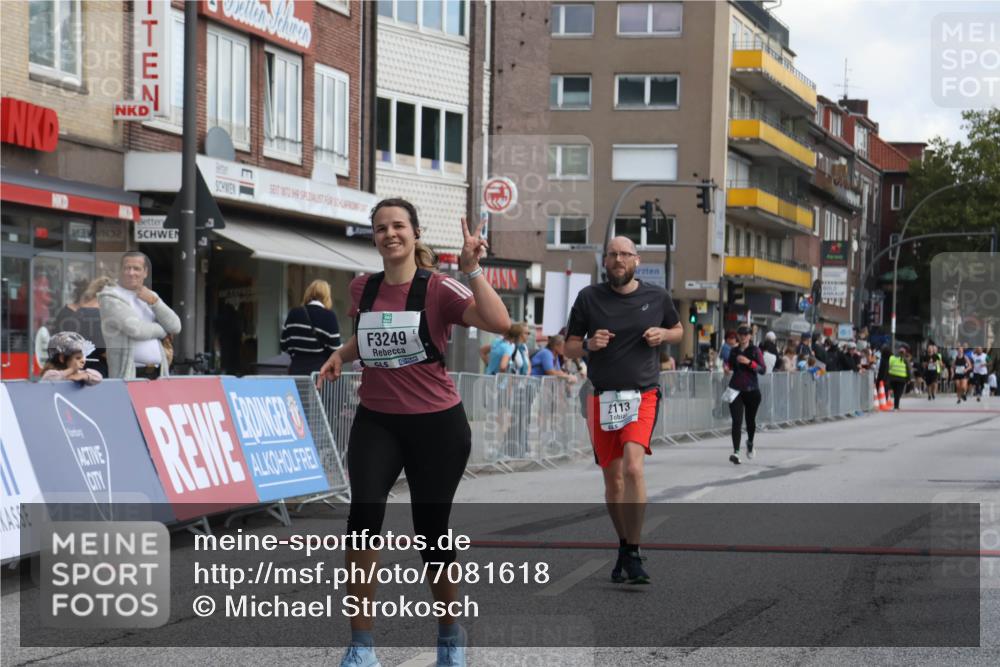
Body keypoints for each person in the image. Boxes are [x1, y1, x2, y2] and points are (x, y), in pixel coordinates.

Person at [316, 198, 509, 667]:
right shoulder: (362, 287)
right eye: (381, 228)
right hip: (377, 420)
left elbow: (500, 323)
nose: (389, 234)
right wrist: (341, 354)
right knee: (362, 521)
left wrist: (472, 270)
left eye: (398, 226)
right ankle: (361, 647)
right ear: (375, 237)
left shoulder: (440, 289)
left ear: (415, 233)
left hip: (436, 425)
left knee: (430, 532)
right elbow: (370, 337)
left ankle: (449, 636)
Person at [564, 236, 683, 585]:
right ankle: (625, 546)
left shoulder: (656, 297)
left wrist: (663, 333)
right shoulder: (589, 297)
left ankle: (633, 548)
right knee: (613, 479)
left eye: (624, 254)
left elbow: (678, 330)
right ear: (605, 261)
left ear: (636, 259)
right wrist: (588, 344)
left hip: (642, 395)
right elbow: (569, 346)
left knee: (633, 467)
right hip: (601, 398)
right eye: (612, 254)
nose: (618, 259)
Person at [98, 252, 181, 380]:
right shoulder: (109, 295)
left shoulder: (150, 295)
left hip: (159, 372)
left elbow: (175, 327)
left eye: (136, 268)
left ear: (145, 272)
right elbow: (136, 329)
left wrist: (155, 302)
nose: (131, 273)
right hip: (130, 374)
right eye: (127, 268)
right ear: (120, 270)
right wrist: (163, 331)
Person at [280, 279, 342, 376]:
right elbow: (336, 348)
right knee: (318, 392)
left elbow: (283, 344)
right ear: (327, 296)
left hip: (296, 369)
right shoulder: (329, 316)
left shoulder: (294, 312)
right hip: (320, 372)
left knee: (298, 391)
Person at [55, 276, 112, 377]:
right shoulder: (99, 316)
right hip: (96, 372)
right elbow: (105, 351)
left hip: (73, 369)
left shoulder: (75, 314)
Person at [726, 324, 766, 464]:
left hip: (751, 390)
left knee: (750, 421)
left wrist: (749, 362)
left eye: (746, 334)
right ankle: (736, 453)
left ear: (750, 336)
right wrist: (726, 368)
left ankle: (750, 442)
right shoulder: (734, 351)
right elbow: (729, 365)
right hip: (735, 389)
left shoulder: (755, 351)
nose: (743, 337)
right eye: (741, 334)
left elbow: (762, 369)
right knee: (736, 421)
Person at [887, 344, 911, 410]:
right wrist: (909, 379)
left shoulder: (892, 357)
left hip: (893, 378)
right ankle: (896, 406)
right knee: (898, 393)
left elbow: (888, 367)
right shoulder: (905, 359)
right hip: (901, 379)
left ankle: (895, 405)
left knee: (896, 392)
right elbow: (908, 370)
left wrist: (888, 376)